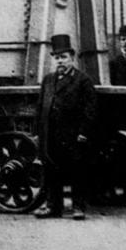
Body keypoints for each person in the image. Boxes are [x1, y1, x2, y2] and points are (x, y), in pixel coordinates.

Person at [34, 34, 97, 220]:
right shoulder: (48, 80)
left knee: (76, 171)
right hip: (51, 133)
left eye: (63, 57)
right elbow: (40, 107)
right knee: (52, 170)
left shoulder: (82, 80)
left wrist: (84, 133)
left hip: (72, 135)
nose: (60, 61)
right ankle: (53, 206)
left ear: (72, 58)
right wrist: (39, 132)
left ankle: (78, 207)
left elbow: (90, 110)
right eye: (57, 57)